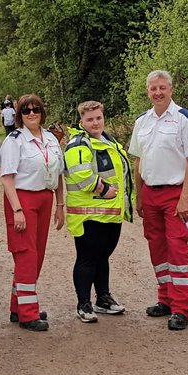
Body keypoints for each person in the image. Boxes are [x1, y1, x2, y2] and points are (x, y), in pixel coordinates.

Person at [129, 70, 188, 331]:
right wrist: (139, 196)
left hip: (175, 194)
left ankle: (181, 308)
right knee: (157, 248)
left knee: (177, 249)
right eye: (153, 88)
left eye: (162, 87)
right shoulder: (142, 121)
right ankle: (165, 299)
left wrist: (185, 198)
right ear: (148, 92)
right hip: (150, 192)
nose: (158, 92)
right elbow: (138, 161)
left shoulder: (185, 119)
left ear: (171, 89)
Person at [0, 95, 64, 332]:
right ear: (19, 115)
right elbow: (7, 178)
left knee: (37, 255)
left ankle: (18, 306)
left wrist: (60, 205)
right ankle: (28, 314)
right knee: (26, 254)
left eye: (36, 109)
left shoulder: (51, 138)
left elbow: (58, 173)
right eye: (26, 111)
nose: (31, 113)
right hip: (22, 198)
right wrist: (17, 209)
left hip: (44, 197)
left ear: (42, 112)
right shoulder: (14, 140)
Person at [63, 100, 132, 323]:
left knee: (103, 257)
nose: (95, 123)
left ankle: (103, 298)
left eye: (99, 118)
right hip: (88, 214)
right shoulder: (78, 143)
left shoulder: (109, 141)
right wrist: (102, 189)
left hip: (111, 213)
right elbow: (81, 174)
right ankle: (83, 304)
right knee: (87, 259)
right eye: (90, 119)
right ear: (81, 121)